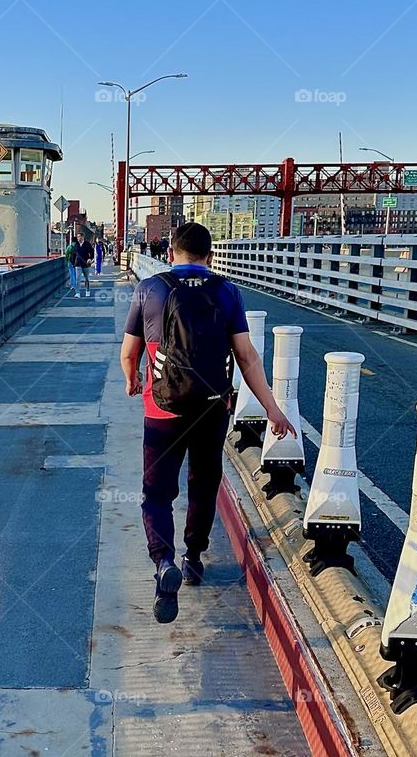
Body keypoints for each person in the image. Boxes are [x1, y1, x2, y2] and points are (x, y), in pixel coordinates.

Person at [120, 221, 295, 624]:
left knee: (157, 494)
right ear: (210, 257)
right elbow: (247, 357)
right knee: (203, 484)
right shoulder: (227, 291)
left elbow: (129, 352)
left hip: (161, 410)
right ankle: (194, 557)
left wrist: (133, 380)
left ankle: (164, 563)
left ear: (170, 255)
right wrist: (272, 408)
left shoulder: (149, 289)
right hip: (212, 409)